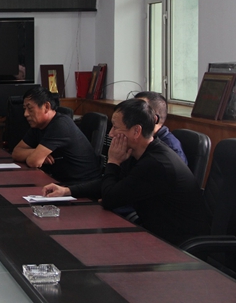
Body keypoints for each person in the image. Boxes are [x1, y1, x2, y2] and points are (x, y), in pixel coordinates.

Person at [42, 98, 209, 245]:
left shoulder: (156, 163)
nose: (110, 134)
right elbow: (112, 184)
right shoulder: (139, 153)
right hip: (154, 233)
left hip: (176, 245)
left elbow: (110, 199)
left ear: (136, 131)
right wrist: (67, 190)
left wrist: (113, 162)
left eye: (115, 127)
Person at [11, 86, 100, 184]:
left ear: (46, 107)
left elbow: (33, 162)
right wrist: (35, 152)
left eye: (30, 109)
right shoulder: (38, 125)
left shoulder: (60, 125)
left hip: (80, 185)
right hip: (59, 181)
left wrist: (35, 155)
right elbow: (16, 153)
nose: (26, 114)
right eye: (24, 109)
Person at [134, 91, 187, 164]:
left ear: (154, 119)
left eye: (137, 111)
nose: (130, 116)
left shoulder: (170, 149)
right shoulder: (138, 138)